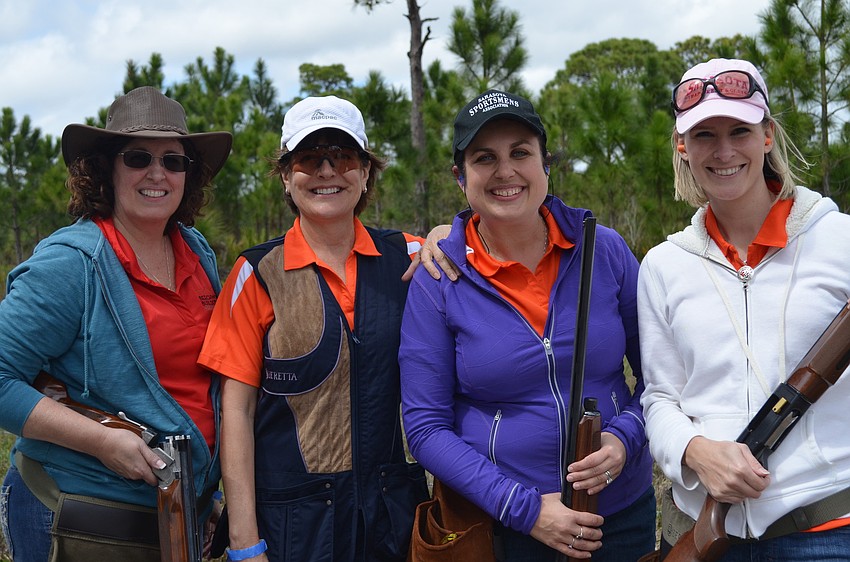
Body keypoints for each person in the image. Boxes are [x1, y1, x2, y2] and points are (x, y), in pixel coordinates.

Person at [399, 90, 656, 561]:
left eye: (521, 152)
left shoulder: (607, 250)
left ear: (546, 164)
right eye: (484, 158)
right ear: (461, 178)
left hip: (620, 518)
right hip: (504, 530)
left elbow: (661, 377)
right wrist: (524, 509)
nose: (505, 171)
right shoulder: (437, 279)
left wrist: (624, 440)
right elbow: (425, 426)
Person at [0, 86, 232, 560]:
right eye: (138, 157)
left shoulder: (196, 251)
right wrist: (103, 442)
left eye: (174, 160)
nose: (157, 173)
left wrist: (202, 490)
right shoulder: (71, 265)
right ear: (107, 167)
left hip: (172, 518)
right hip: (79, 517)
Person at [197, 95, 430, 562]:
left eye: (343, 156)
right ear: (286, 175)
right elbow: (235, 412)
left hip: (392, 525)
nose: (327, 171)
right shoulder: (256, 272)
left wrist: (449, 230)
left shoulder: (411, 258)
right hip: (293, 531)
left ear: (365, 172)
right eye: (308, 157)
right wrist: (245, 543)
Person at [638, 58, 850, 560]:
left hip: (829, 531)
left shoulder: (840, 240)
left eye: (740, 130)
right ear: (682, 147)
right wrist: (696, 452)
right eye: (705, 135)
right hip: (708, 534)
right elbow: (660, 398)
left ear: (768, 135)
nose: (725, 150)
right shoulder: (663, 265)